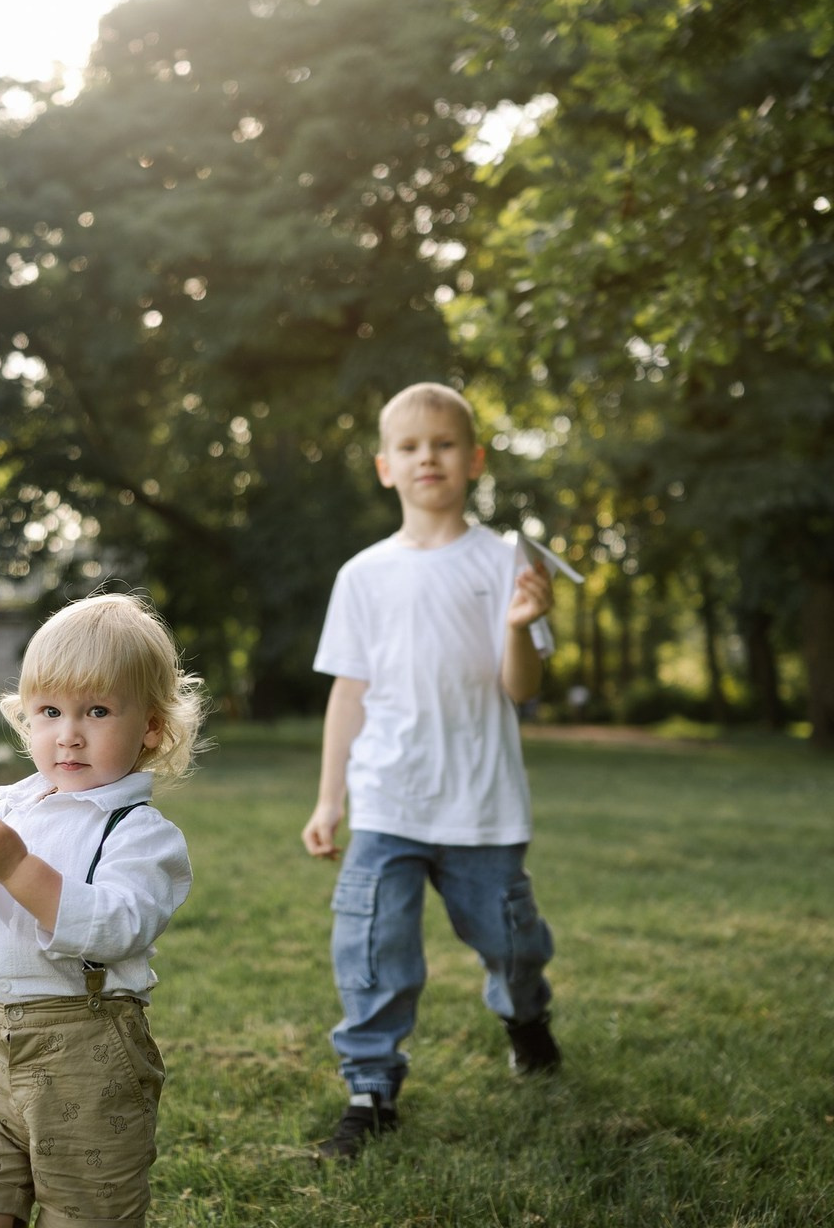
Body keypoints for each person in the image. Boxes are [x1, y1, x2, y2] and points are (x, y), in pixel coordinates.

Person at [301, 381, 561, 1161]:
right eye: (410, 447)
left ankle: (526, 1017)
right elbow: (350, 693)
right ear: (385, 467)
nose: (428, 458)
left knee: (510, 944)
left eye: (444, 444)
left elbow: (521, 688)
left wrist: (521, 627)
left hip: (481, 804)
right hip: (387, 800)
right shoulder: (364, 575)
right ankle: (370, 1089)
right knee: (373, 946)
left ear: (474, 459)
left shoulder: (504, 562)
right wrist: (328, 800)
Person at [0, 592, 207, 1227]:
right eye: (49, 711)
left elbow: (116, 927)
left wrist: (14, 867)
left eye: (97, 711)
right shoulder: (14, 809)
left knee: (87, 1215)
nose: (68, 734)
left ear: (152, 728)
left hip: (88, 1056)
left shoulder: (139, 833)